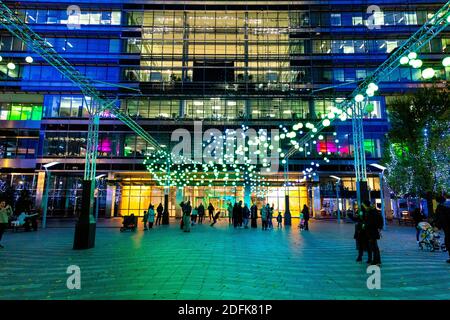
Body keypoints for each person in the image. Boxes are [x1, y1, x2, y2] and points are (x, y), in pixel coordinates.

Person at [364, 200, 383, 265]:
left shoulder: (371, 212)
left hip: (372, 231)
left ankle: (376, 261)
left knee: (374, 247)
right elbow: (380, 220)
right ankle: (377, 260)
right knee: (375, 247)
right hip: (373, 231)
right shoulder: (374, 211)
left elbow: (370, 222)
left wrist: (366, 225)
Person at [435, 196, 450, 263]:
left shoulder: (440, 208)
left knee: (448, 241)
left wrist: (437, 226)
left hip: (447, 227)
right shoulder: (447, 206)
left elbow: (441, 218)